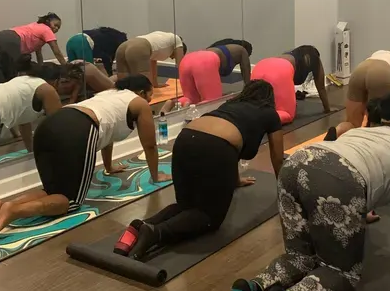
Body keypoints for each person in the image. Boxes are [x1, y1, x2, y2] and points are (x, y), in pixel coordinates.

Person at [220, 90, 390, 291]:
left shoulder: (357, 132)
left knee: (299, 256)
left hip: (297, 163)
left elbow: (365, 169)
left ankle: (254, 287)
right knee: (341, 273)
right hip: (339, 179)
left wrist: (359, 212)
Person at [113, 80, 284, 258]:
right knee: (209, 217)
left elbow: (233, 146)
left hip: (185, 140)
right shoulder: (269, 113)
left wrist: (235, 180)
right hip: (215, 148)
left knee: (187, 207)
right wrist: (285, 192)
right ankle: (155, 233)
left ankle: (139, 226)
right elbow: (278, 158)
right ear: (269, 98)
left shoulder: (230, 106)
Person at [0, 76, 164, 235]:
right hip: (77, 129)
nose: (150, 100)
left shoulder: (108, 95)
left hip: (47, 127)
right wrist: (156, 176)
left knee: (52, 191)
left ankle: (4, 206)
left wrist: (109, 167)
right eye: (150, 95)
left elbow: (109, 133)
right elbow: (150, 145)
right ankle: (15, 211)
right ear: (142, 92)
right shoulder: (140, 103)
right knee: (70, 201)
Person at [251, 45, 331, 124]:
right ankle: (265, 119)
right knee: (287, 114)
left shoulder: (289, 55)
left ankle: (251, 114)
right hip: (279, 71)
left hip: (259, 67)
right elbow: (321, 88)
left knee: (255, 103)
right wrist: (327, 109)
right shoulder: (315, 60)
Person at [0, 64, 62, 152]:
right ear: (56, 81)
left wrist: (31, 150)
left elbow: (24, 121)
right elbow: (58, 125)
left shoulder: (25, 81)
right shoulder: (47, 89)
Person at [346, 50, 390, 127]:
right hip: (381, 73)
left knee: (351, 123)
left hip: (358, 71)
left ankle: (337, 132)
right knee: (376, 124)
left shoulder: (380, 53)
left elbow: (365, 101)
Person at [179, 39, 253, 105]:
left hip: (186, 60)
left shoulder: (216, 48)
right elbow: (246, 74)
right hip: (204, 61)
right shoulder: (242, 50)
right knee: (212, 102)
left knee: (190, 99)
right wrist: (248, 92)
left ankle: (176, 104)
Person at [0, 13, 66, 75]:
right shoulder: (47, 30)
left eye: (58, 27)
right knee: (10, 71)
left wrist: (41, 68)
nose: (56, 28)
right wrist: (66, 68)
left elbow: (39, 54)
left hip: (0, 36)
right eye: (55, 25)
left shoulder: (37, 27)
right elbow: (57, 52)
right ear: (47, 21)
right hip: (11, 40)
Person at [115, 31, 186, 87]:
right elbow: (181, 66)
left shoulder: (161, 39)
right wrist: (186, 86)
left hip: (123, 46)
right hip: (139, 48)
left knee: (123, 84)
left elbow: (153, 64)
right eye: (173, 57)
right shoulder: (177, 40)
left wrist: (155, 84)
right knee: (143, 86)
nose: (171, 58)